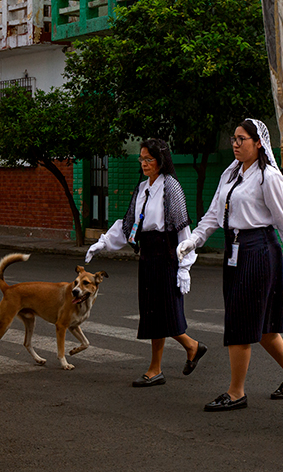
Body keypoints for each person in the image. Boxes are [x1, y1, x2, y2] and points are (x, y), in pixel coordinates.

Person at [176, 119, 283, 412]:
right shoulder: (231, 173)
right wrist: (193, 240)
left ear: (258, 143)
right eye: (234, 138)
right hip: (235, 248)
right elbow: (214, 215)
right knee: (264, 325)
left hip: (259, 251)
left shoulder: (269, 176)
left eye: (242, 139)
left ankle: (235, 392)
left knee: (240, 322)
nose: (236, 143)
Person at [85, 138, 206, 387]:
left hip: (167, 253)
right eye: (141, 159)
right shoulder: (142, 188)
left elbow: (183, 228)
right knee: (153, 311)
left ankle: (176, 356)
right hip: (148, 254)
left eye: (148, 159)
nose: (144, 163)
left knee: (166, 310)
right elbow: (130, 223)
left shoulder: (171, 187)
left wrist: (185, 266)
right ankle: (174, 357)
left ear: (161, 161)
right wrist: (104, 243)